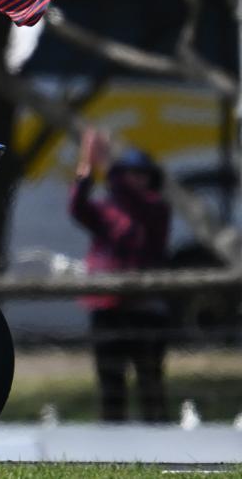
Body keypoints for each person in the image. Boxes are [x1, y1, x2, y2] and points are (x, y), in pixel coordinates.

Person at [69, 129, 171, 422]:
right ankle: (114, 445)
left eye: (141, 174)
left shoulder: (155, 209)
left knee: (150, 380)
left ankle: (160, 439)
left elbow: (132, 197)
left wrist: (107, 164)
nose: (135, 179)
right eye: (130, 173)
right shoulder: (105, 210)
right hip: (108, 308)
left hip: (146, 310)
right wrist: (86, 169)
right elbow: (77, 207)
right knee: (111, 384)